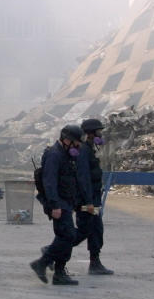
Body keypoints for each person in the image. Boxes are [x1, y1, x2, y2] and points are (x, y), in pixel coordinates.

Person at [30, 124, 94, 285]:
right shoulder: (54, 155)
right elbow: (49, 182)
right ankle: (43, 263)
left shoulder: (66, 155)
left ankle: (58, 271)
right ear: (67, 140)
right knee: (68, 235)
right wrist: (54, 205)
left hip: (66, 201)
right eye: (77, 143)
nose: (79, 147)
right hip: (58, 202)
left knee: (65, 236)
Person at [75, 118, 113, 275]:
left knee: (95, 229)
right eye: (98, 132)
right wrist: (88, 201)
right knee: (86, 229)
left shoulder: (89, 149)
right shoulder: (84, 151)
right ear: (90, 134)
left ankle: (95, 262)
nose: (100, 134)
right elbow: (83, 177)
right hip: (87, 200)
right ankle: (52, 251)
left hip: (93, 198)